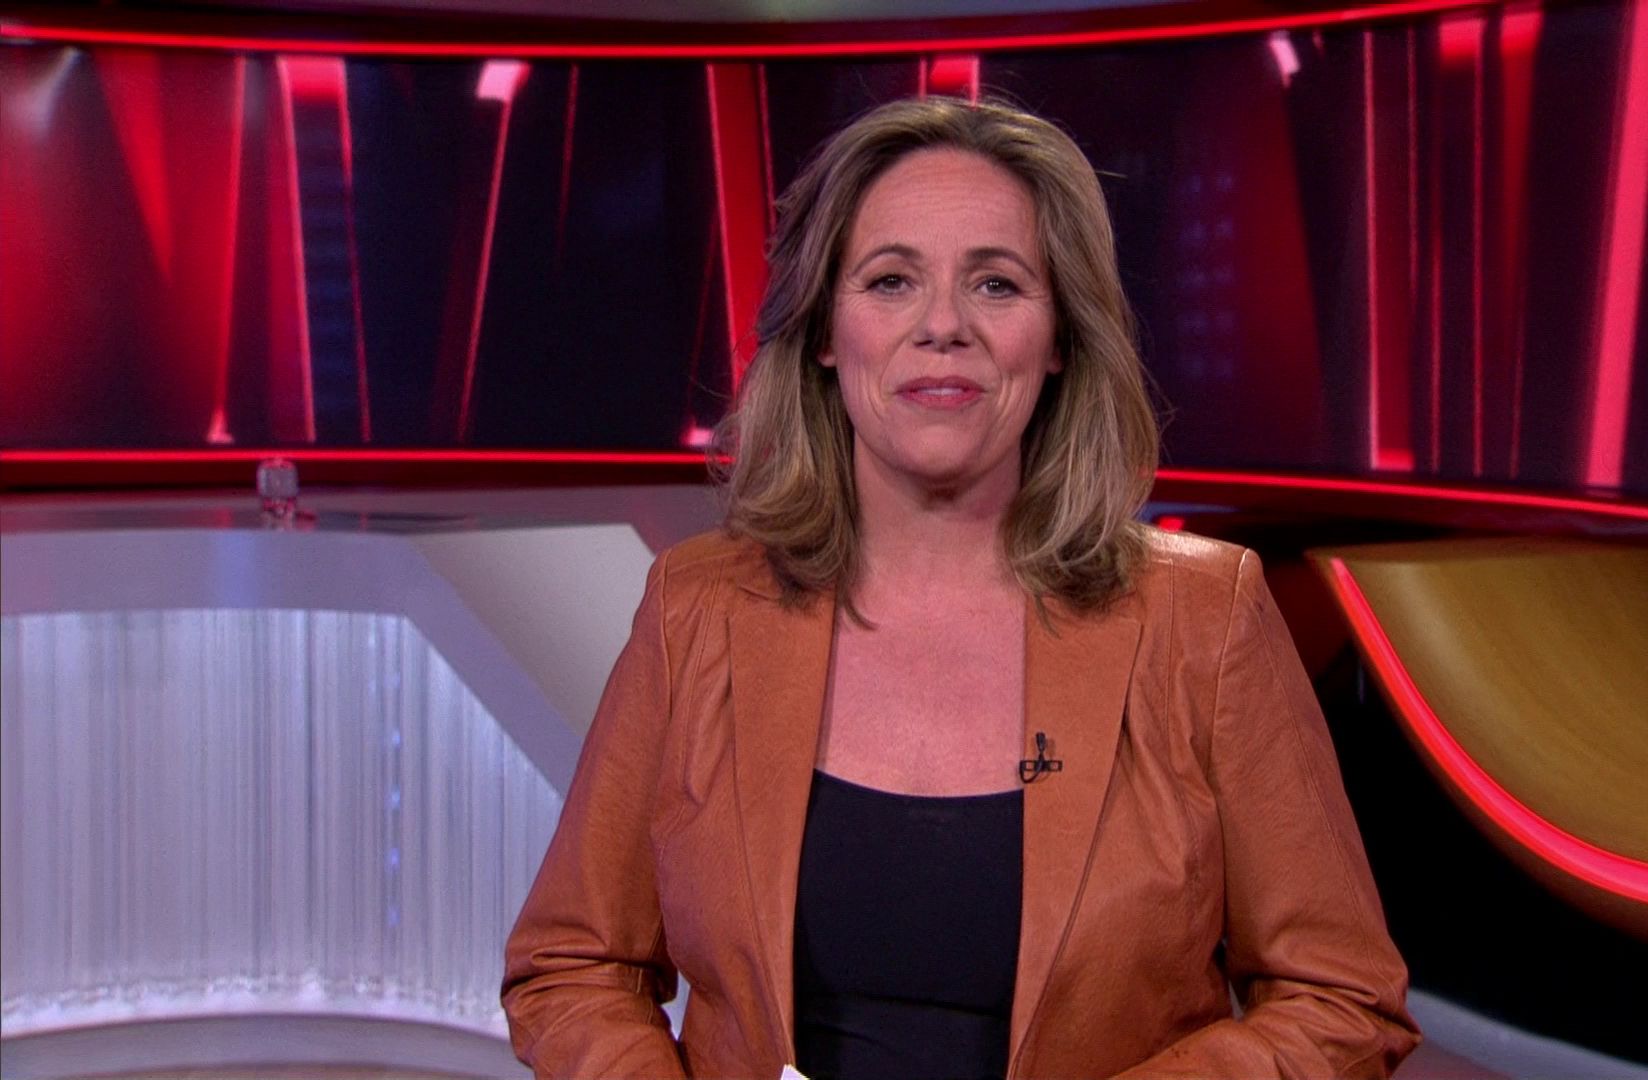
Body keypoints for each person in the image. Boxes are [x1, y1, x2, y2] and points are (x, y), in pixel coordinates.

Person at [502, 96, 1418, 1079]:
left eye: (996, 283)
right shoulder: (698, 608)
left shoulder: (1203, 618)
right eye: (891, 280)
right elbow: (573, 966)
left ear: (1060, 337)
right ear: (825, 331)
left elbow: (1342, 996)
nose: (943, 326)